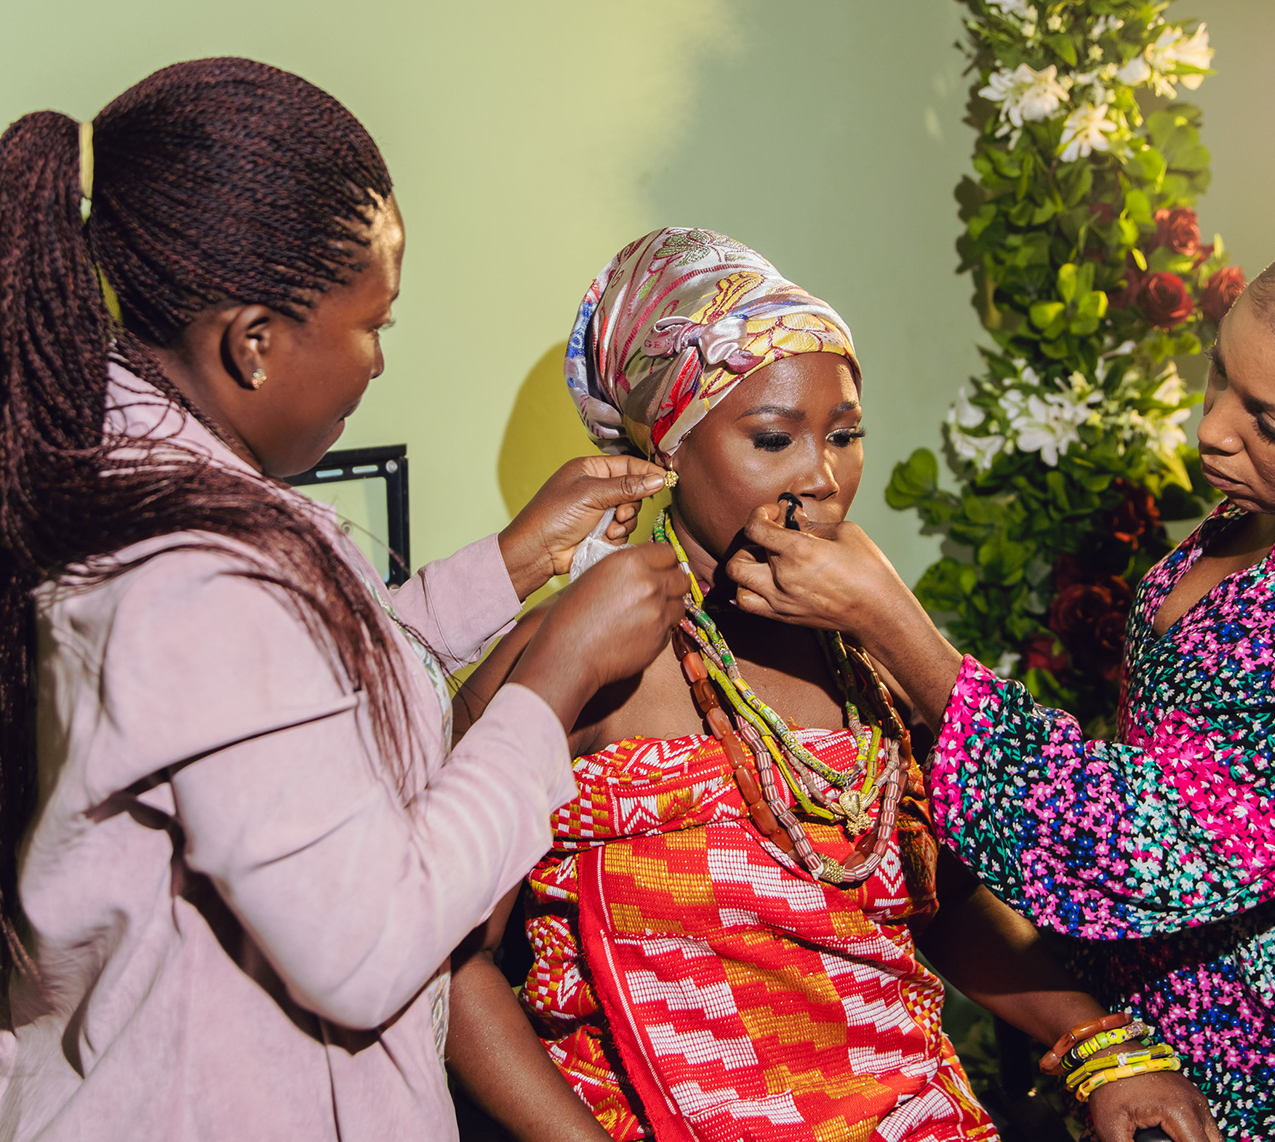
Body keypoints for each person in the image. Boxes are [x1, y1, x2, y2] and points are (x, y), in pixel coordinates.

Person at [0, 58, 693, 1142]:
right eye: (372, 323)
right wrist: (555, 678)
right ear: (252, 342)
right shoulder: (190, 573)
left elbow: (294, 705)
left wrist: (514, 564)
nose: (379, 362)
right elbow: (365, 942)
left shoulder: (153, 496)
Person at [726, 203, 1275, 1141]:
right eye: (1221, 374)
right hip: (1166, 1031)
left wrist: (895, 629)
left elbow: (1136, 845)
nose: (1213, 431)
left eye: (1271, 424)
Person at [446, 228, 1220, 1142]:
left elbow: (936, 895)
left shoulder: (865, 653)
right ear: (668, 446)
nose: (821, 478)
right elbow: (451, 967)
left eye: (846, 435)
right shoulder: (572, 656)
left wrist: (1100, 1043)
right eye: (774, 438)